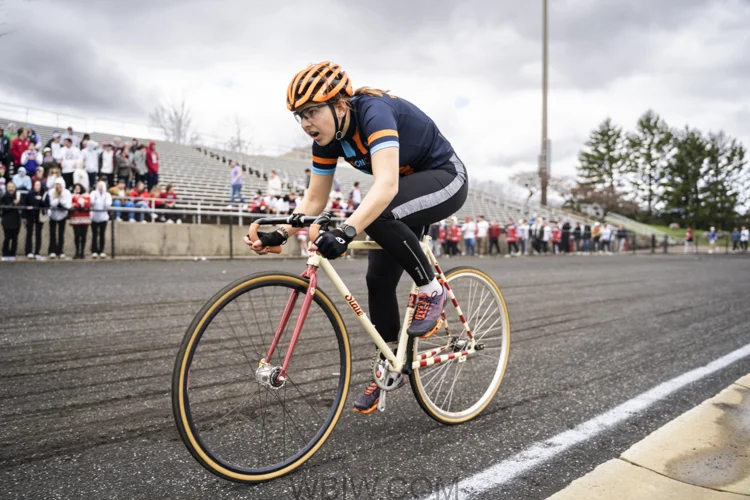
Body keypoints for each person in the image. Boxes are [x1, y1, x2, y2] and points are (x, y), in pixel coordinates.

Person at [246, 62, 468, 414]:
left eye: (312, 112)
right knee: (377, 279)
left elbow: (386, 187)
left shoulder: (373, 113)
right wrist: (284, 232)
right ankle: (392, 361)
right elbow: (315, 200)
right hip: (403, 191)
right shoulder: (328, 137)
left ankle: (432, 290)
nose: (305, 124)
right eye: (299, 116)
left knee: (377, 211)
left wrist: (347, 232)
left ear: (340, 105)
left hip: (445, 177)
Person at [22, 180, 48, 259]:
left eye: (38, 185)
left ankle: (37, 251)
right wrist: (24, 217)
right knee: (29, 234)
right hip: (30, 216)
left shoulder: (43, 194)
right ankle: (28, 251)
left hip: (39, 216)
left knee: (38, 234)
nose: (37, 186)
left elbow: (46, 204)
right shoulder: (30, 193)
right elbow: (26, 204)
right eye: (36, 185)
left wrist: (40, 200)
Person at [48, 178, 72, 258]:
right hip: (53, 215)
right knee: (52, 233)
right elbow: (51, 203)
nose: (58, 187)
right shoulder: (51, 192)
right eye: (57, 185)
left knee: (61, 234)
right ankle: (52, 250)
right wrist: (57, 199)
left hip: (62, 215)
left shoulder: (67, 193)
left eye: (60, 185)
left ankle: (60, 250)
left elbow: (68, 205)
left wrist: (61, 200)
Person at [90, 181, 112, 258]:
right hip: (94, 217)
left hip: (103, 217)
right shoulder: (93, 193)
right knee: (94, 234)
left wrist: (102, 199)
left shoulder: (107, 195)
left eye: (101, 186)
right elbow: (92, 202)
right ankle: (94, 250)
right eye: (99, 186)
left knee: (102, 234)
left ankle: (101, 250)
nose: (100, 188)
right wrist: (96, 199)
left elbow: (107, 205)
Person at [70, 184, 91, 259]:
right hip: (76, 218)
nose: (77, 189)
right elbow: (71, 204)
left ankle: (82, 252)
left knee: (83, 236)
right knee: (76, 235)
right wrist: (79, 204)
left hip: (84, 218)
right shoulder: (73, 196)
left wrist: (77, 204)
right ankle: (77, 251)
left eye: (78, 188)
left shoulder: (86, 195)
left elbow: (87, 204)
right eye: (76, 188)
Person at [1, 181, 21, 260]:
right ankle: (5, 254)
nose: (10, 189)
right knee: (7, 238)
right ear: (6, 188)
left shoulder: (18, 196)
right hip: (6, 220)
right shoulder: (3, 196)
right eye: (9, 187)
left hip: (16, 220)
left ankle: (13, 254)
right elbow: (4, 208)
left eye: (12, 187)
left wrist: (18, 204)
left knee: (15, 238)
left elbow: (22, 206)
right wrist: (13, 204)